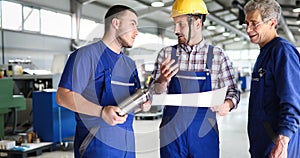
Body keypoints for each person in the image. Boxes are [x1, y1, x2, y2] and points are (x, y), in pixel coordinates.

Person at [56, 5, 150, 158]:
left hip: (127, 147)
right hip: (96, 148)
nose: (136, 32)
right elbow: (63, 96)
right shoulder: (86, 56)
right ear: (116, 23)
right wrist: (101, 112)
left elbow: (128, 107)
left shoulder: (129, 64)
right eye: (132, 24)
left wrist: (142, 105)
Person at [150, 0, 240, 157]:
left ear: (198, 23)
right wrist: (162, 80)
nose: (175, 29)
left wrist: (227, 104)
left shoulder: (217, 56)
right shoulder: (166, 55)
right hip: (172, 134)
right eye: (174, 24)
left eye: (181, 24)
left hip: (204, 133)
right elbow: (153, 94)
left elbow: (233, 91)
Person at [243, 0, 300, 157]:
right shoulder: (264, 53)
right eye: (246, 23)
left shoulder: (282, 52)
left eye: (254, 23)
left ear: (272, 23)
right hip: (263, 144)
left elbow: (293, 101)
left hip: (277, 146)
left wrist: (282, 141)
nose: (248, 29)